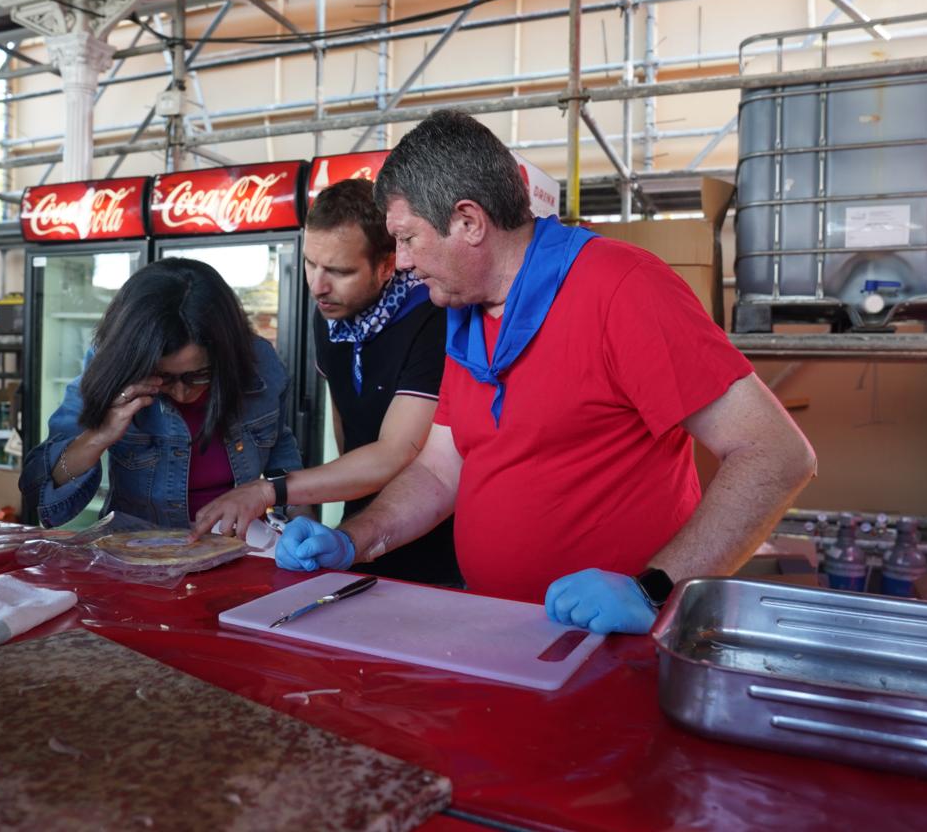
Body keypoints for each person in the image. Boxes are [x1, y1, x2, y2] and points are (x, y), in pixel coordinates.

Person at [275, 110, 817, 635]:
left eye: (408, 238)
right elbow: (442, 471)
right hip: (504, 631)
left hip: (616, 645)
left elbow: (776, 453)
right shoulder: (464, 312)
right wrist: (352, 540)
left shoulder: (622, 288)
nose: (404, 261)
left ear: (468, 221)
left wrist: (654, 589)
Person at [189, 178, 461, 585]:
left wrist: (272, 490)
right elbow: (345, 428)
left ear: (388, 264)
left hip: (431, 544)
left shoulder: (432, 319)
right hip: (357, 531)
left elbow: (394, 454)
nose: (318, 286)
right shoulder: (328, 317)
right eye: (311, 263)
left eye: (339, 270)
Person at [20, 257, 303, 530]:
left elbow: (280, 451)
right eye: (162, 377)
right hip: (138, 555)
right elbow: (38, 487)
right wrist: (99, 436)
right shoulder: (110, 368)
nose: (181, 393)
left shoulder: (258, 363)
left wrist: (302, 525)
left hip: (241, 546)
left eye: (199, 375)